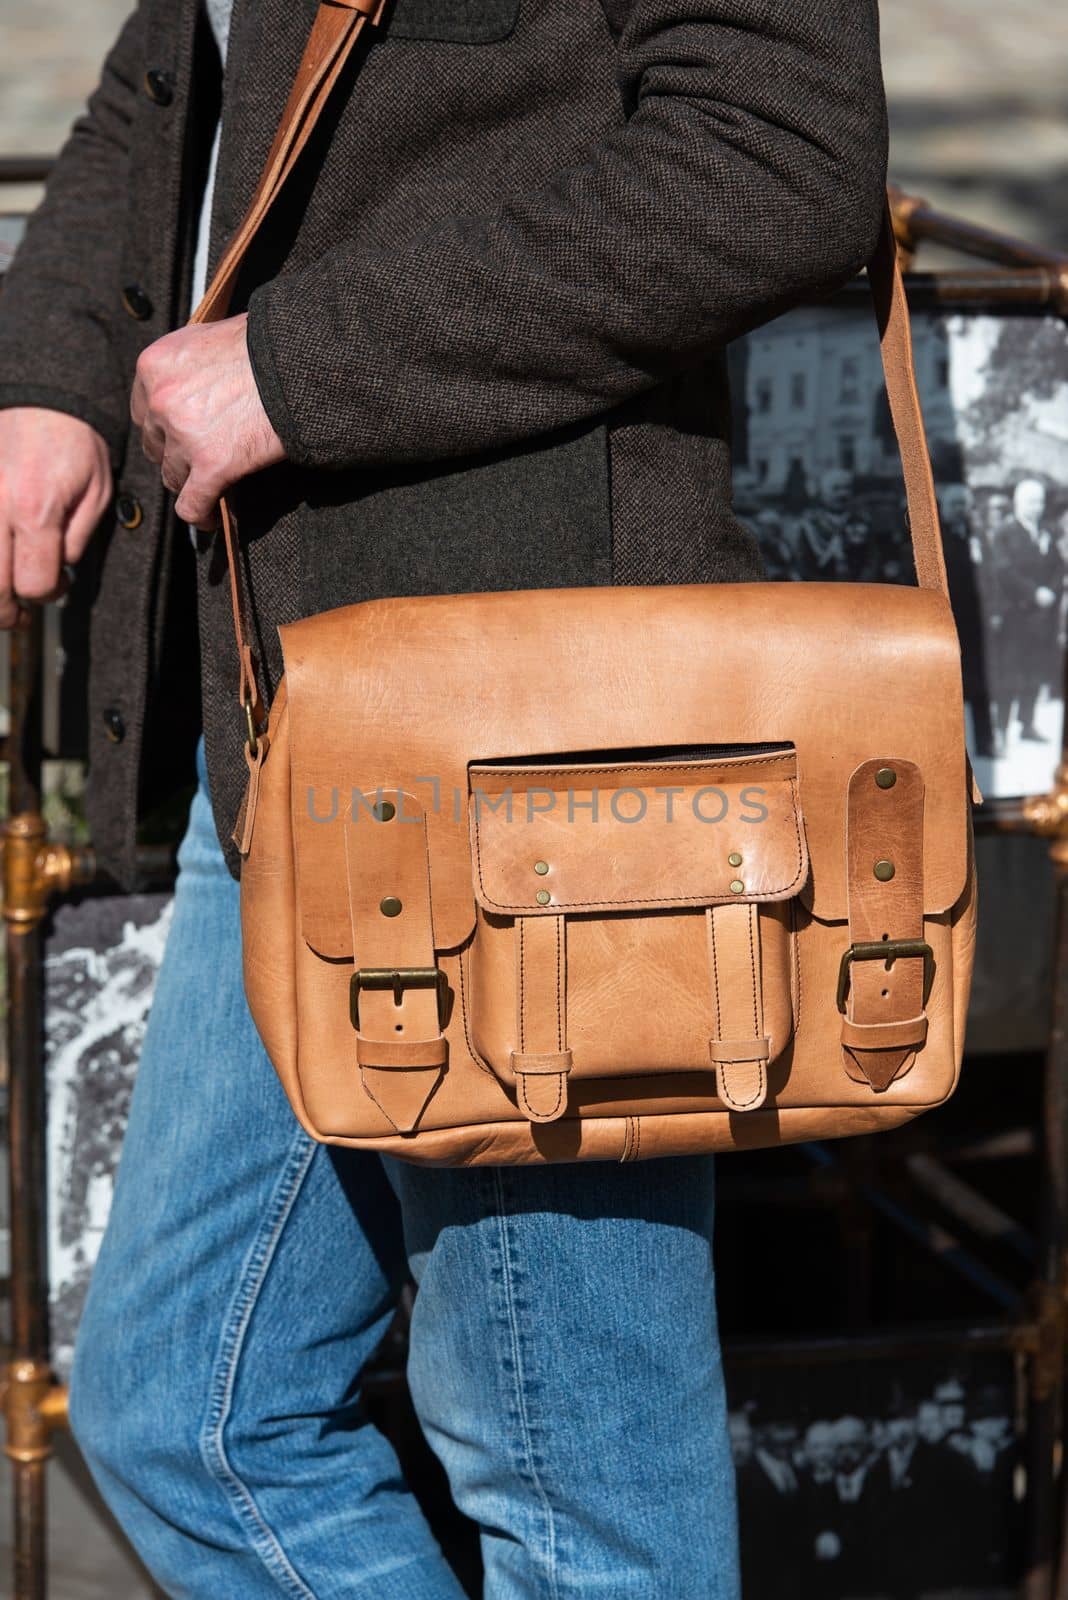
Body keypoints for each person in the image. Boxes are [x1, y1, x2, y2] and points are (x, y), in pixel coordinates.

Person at [0, 0, 890, 1593]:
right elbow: (175, 71)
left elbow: (779, 147)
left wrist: (293, 368)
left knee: (576, 1494)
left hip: (535, 753)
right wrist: (53, 364)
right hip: (285, 705)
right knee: (188, 1408)